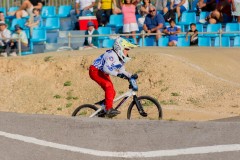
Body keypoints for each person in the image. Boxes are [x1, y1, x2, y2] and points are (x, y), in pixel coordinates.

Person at [89, 37, 138, 117]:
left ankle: (104, 106)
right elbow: (106, 68)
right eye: (126, 49)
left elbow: (122, 71)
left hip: (102, 72)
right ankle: (108, 109)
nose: (127, 52)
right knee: (108, 86)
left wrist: (130, 76)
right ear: (119, 48)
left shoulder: (120, 59)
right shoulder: (112, 55)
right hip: (95, 71)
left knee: (112, 92)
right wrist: (117, 74)